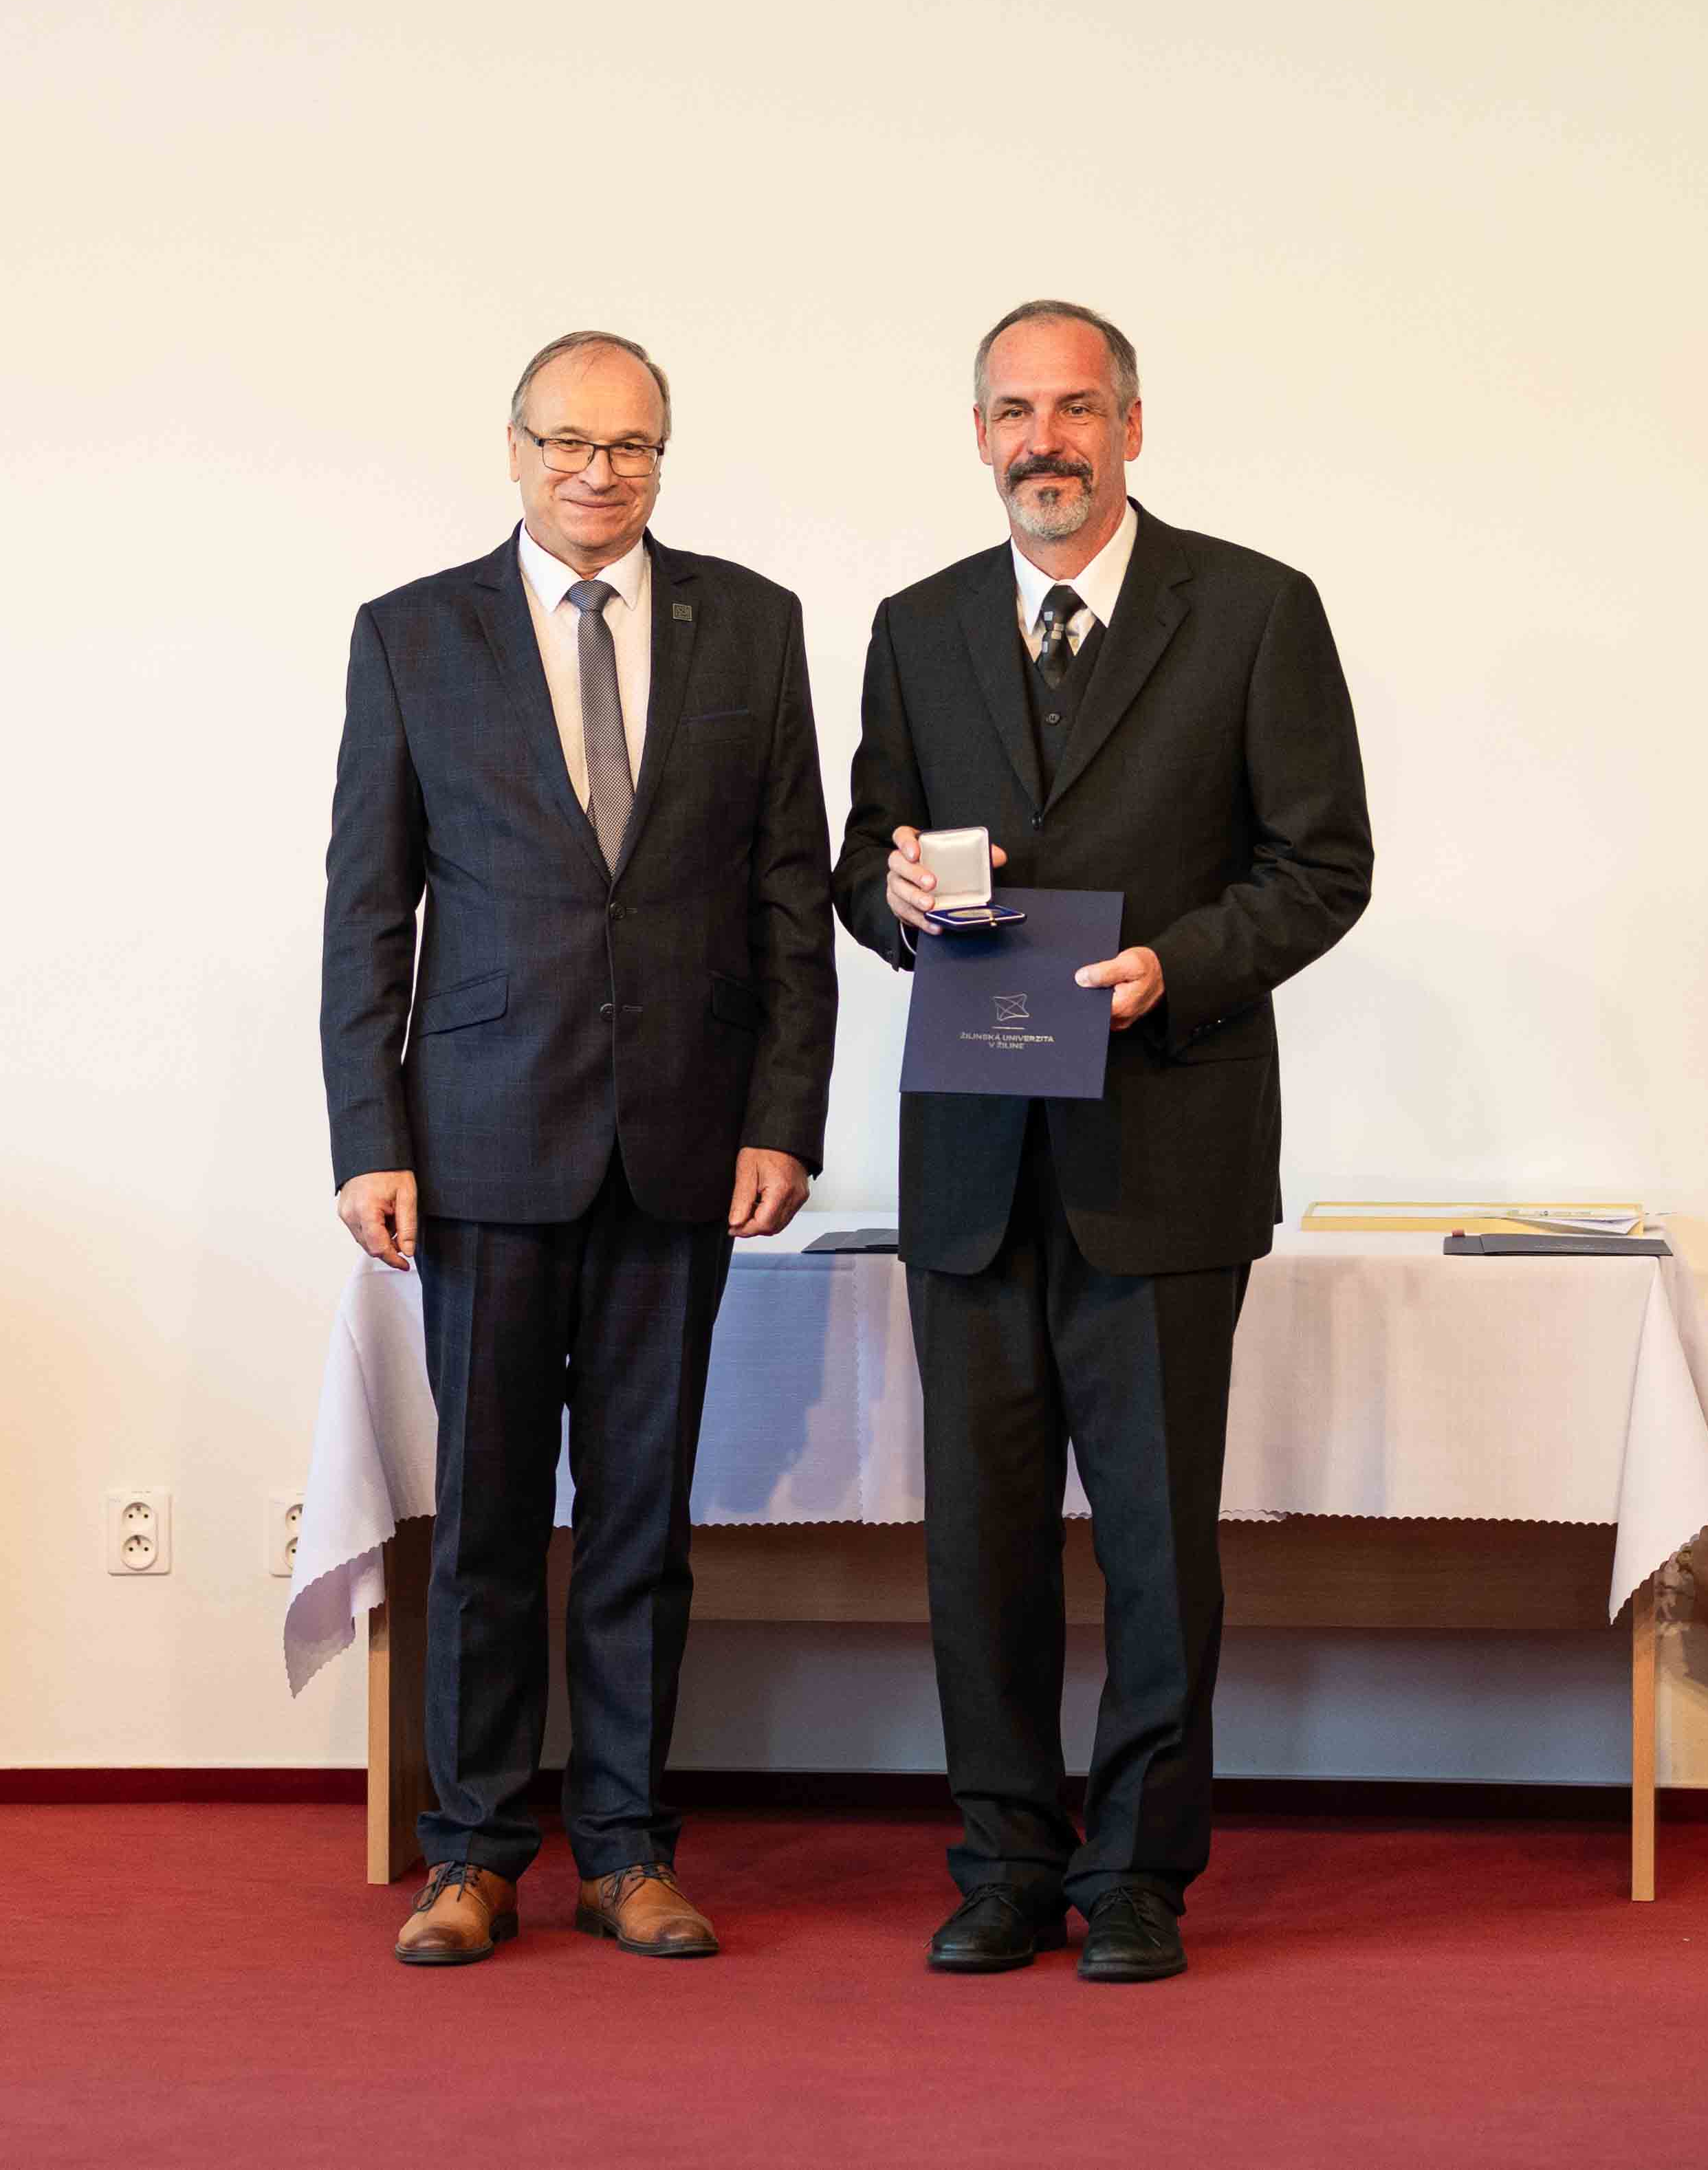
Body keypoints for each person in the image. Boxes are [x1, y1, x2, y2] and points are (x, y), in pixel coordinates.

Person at [834, 300, 1373, 1982]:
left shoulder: (1255, 610)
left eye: (1074, 408)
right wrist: (893, 893)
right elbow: (857, 862)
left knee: (1153, 1545)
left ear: (1132, 425)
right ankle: (1003, 1859)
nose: (1042, 440)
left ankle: (1136, 1870)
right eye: (1012, 411)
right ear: (977, 435)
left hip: (1165, 1151)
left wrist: (1175, 967)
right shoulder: (916, 625)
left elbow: (1321, 865)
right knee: (976, 1549)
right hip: (973, 1168)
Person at [324, 331, 837, 1966]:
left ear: (662, 456)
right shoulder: (413, 634)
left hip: (681, 1143)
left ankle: (623, 1847)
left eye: (630, 446)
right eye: (568, 441)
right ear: (514, 447)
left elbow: (788, 896)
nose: (597, 472)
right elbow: (366, 905)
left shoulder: (750, 624)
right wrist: (367, 1135)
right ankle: (470, 1853)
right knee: (481, 1524)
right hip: (477, 1143)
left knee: (637, 1521)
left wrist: (783, 1113)